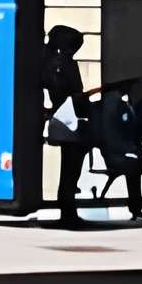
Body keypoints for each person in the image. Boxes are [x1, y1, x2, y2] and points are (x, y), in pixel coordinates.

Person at [42, 26, 91, 228]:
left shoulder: (52, 62)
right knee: (71, 165)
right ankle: (68, 207)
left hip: (64, 115)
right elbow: (71, 92)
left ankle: (67, 205)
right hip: (69, 116)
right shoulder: (63, 64)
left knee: (70, 166)